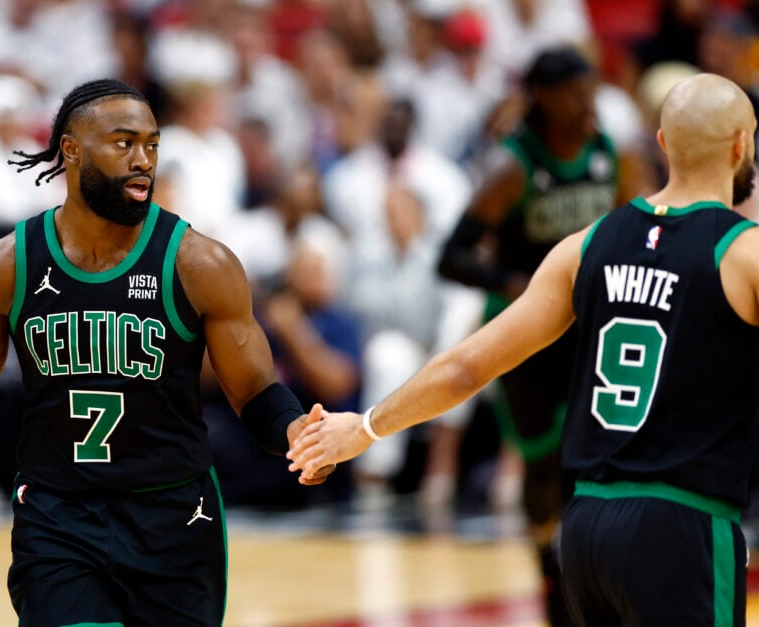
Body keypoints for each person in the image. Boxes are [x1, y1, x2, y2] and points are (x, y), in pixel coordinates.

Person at [289, 72, 759, 626]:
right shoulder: (744, 254)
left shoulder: (586, 246)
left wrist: (363, 428)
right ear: (740, 145)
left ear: (661, 143)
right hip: (685, 528)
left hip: (586, 530)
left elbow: (467, 366)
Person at [0, 78, 334, 626]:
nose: (143, 160)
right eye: (124, 143)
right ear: (70, 149)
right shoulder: (2, 268)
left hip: (175, 517)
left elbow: (256, 389)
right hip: (58, 516)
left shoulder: (200, 264)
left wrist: (294, 433)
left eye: (152, 145)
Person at [436, 45, 649, 625]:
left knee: (595, 456)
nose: (589, 103)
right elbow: (451, 257)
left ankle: (593, 574)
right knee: (541, 465)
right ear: (545, 98)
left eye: (592, 90)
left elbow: (639, 228)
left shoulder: (611, 155)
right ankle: (548, 570)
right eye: (577, 93)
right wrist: (521, 282)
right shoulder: (513, 169)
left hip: (588, 328)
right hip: (525, 331)